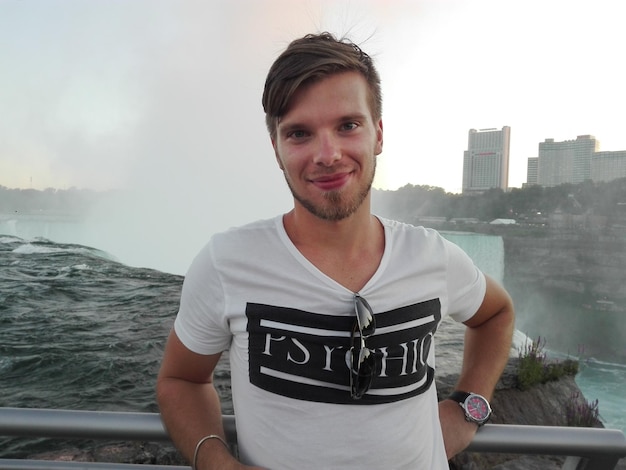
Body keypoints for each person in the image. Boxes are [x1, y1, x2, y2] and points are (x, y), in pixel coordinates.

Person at [156, 32, 515, 470]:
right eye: (300, 133)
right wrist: (218, 462)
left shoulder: (433, 257)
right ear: (277, 149)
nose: (327, 155)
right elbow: (181, 380)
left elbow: (496, 314)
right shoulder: (226, 263)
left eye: (348, 125)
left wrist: (468, 406)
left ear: (378, 134)